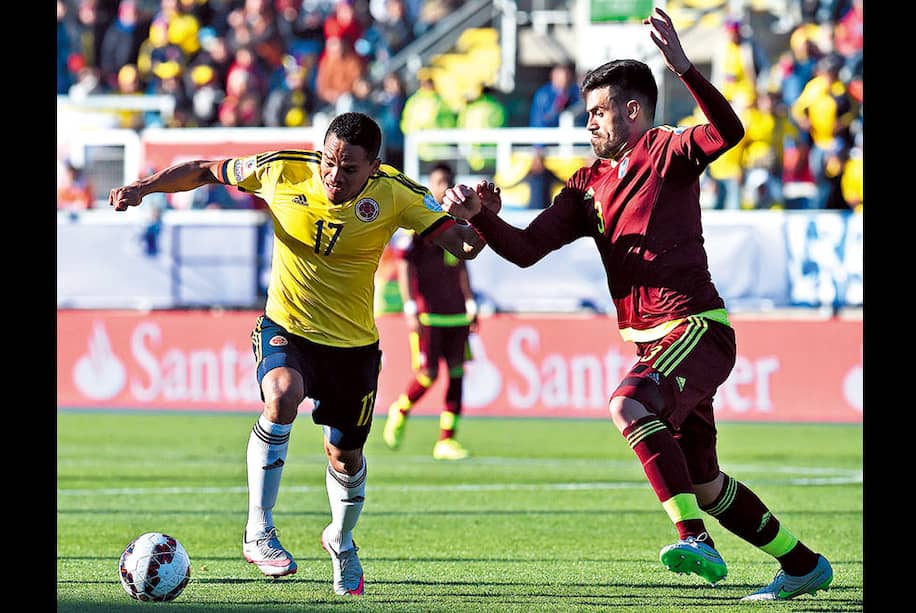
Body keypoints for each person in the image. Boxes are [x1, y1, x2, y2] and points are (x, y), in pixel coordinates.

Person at [440, 8, 833, 602]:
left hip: (696, 328)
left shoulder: (665, 149)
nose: (589, 123)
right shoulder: (585, 185)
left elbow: (728, 131)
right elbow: (524, 251)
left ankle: (693, 539)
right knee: (704, 483)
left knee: (628, 404)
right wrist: (483, 218)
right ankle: (802, 565)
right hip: (654, 343)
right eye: (587, 113)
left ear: (632, 111)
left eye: (598, 112)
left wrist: (684, 69)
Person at [108, 111, 486, 596]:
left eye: (349, 168)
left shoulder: (397, 193)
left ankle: (341, 540)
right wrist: (143, 188)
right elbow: (204, 170)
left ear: (374, 167)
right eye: (328, 161)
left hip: (352, 347)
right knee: (282, 393)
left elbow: (463, 246)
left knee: (345, 456)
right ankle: (258, 528)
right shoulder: (282, 169)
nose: (333, 175)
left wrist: (481, 217)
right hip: (286, 326)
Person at [382, 162, 478, 460]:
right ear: (430, 185)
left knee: (457, 373)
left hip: (457, 312)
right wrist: (410, 306)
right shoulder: (418, 219)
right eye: (439, 182)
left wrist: (470, 301)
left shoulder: (459, 222)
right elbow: (404, 263)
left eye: (448, 181)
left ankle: (446, 440)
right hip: (429, 312)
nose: (444, 187)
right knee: (429, 374)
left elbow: (462, 263)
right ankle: (401, 409)